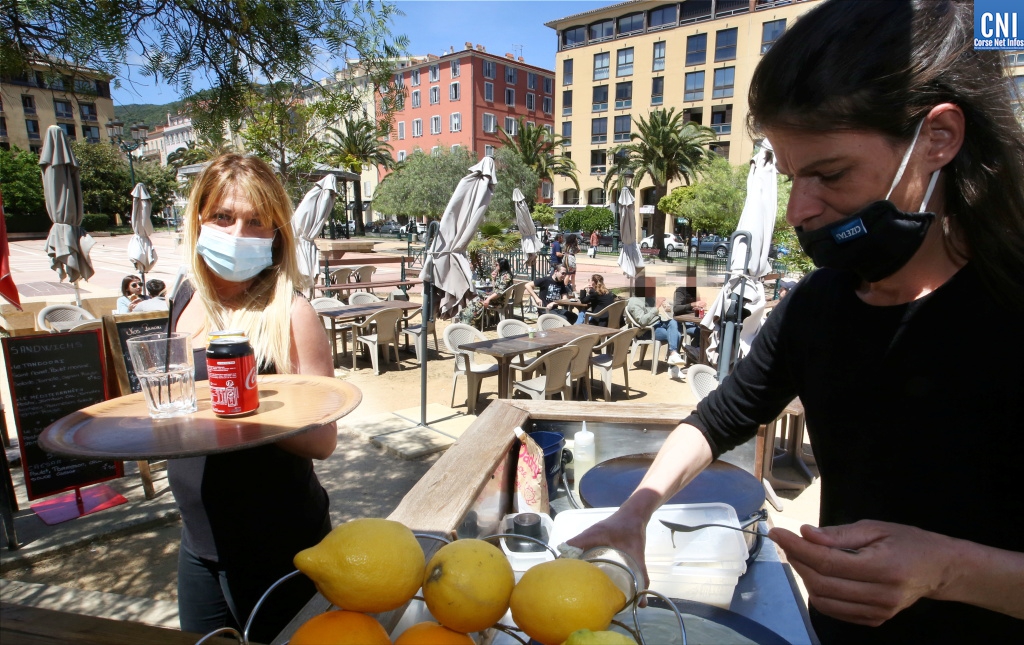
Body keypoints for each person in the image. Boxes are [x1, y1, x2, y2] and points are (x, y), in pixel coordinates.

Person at [569, 2, 1024, 643]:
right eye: (789, 177)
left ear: (938, 137)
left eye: (829, 174)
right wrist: (637, 512)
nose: (798, 213)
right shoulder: (820, 304)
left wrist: (946, 570)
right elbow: (717, 419)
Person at [169, 154, 337, 642]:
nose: (238, 234)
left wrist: (245, 411)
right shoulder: (185, 298)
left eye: (256, 222)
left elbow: (324, 440)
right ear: (198, 219)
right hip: (198, 542)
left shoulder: (292, 313)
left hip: (278, 543)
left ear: (276, 234)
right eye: (223, 217)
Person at [625, 296, 687, 366]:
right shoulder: (634, 302)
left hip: (658, 323)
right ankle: (673, 366)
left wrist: (664, 306)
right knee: (676, 335)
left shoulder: (648, 298)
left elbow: (656, 315)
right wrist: (657, 306)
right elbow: (642, 322)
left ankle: (673, 355)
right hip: (646, 330)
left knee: (673, 322)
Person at [459, 258, 514, 325]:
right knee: (475, 299)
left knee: (475, 304)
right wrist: (493, 279)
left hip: (498, 301)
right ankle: (467, 320)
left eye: (497, 264)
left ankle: (469, 322)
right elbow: (495, 289)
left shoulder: (506, 276)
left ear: (501, 265)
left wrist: (488, 299)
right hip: (496, 299)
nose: (495, 266)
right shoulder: (502, 275)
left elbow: (499, 292)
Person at [671, 285, 705, 354]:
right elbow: (676, 308)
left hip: (693, 322)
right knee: (701, 332)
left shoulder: (694, 290)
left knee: (706, 330)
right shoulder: (681, 291)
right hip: (683, 324)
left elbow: (692, 306)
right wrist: (692, 304)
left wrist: (696, 308)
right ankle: (693, 351)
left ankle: (694, 350)